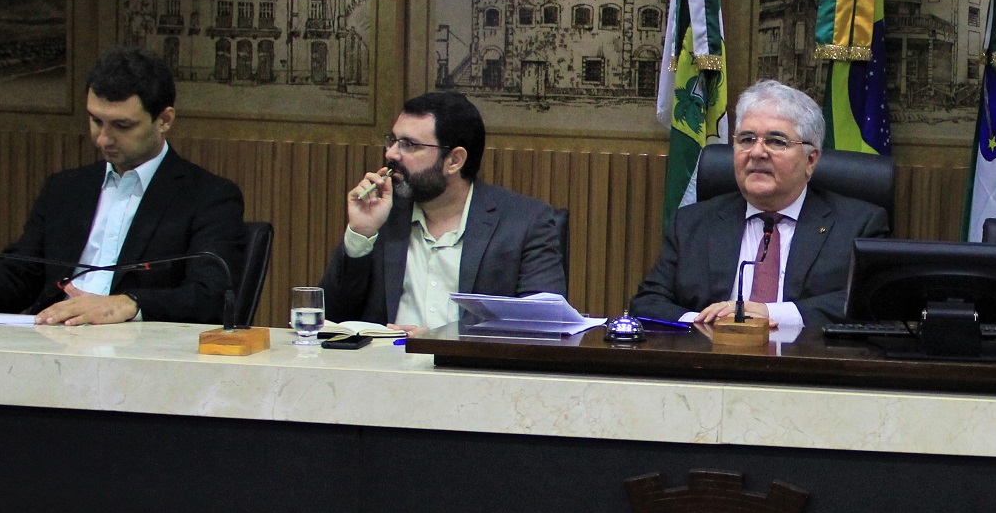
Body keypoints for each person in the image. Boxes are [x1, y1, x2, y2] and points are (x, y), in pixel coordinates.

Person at [0, 46, 244, 325]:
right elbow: (19, 277)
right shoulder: (65, 190)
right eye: (95, 121)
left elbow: (211, 296)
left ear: (164, 120)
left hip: (138, 353)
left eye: (122, 125)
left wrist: (129, 304)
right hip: (53, 345)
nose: (103, 139)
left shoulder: (209, 197)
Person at [630, 79, 888, 328]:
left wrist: (770, 314)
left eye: (776, 141)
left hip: (807, 356)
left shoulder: (858, 226)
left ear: (810, 160)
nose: (756, 152)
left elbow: (872, 304)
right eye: (746, 139)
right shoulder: (692, 223)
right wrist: (707, 323)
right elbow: (647, 303)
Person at [321, 91, 567, 331]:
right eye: (392, 141)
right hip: (385, 358)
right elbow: (330, 318)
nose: (391, 153)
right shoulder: (382, 215)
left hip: (465, 360)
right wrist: (361, 233)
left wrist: (443, 342)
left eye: (408, 145)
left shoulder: (524, 223)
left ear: (454, 160)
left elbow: (543, 328)